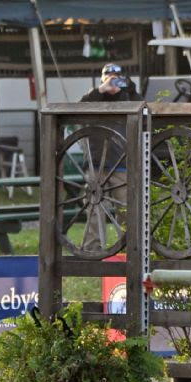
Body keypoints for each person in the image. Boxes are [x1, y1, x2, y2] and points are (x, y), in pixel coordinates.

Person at [78, 63, 143, 251]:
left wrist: (128, 86)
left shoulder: (130, 96)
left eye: (118, 77)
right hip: (97, 163)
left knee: (125, 207)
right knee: (93, 206)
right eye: (109, 77)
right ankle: (92, 248)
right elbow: (80, 107)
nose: (114, 81)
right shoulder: (94, 97)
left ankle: (130, 247)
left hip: (122, 162)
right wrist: (101, 90)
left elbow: (141, 105)